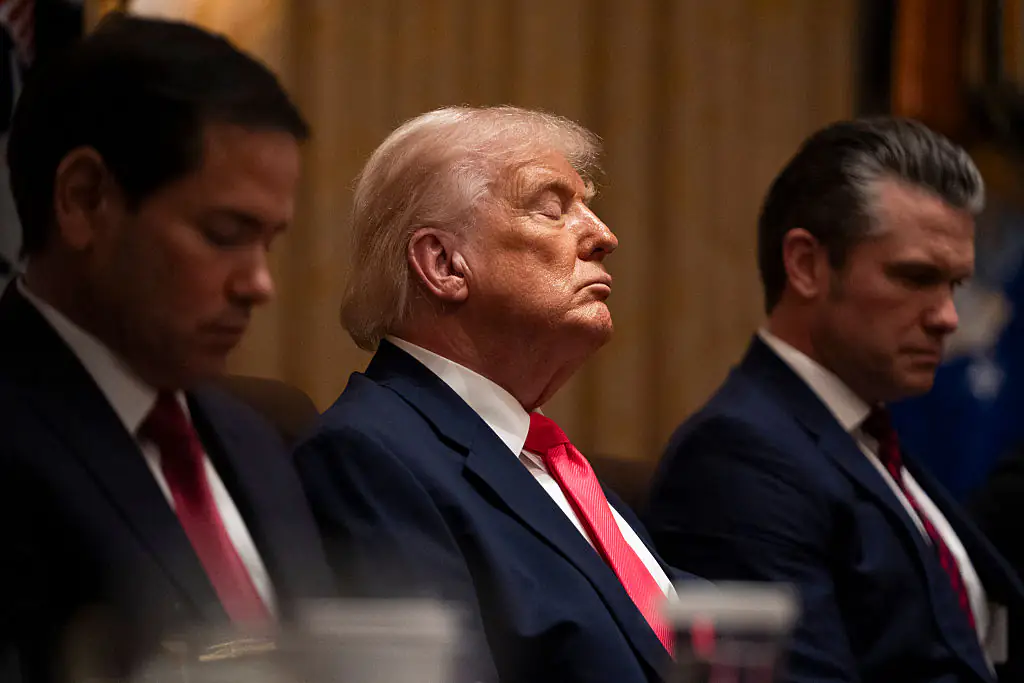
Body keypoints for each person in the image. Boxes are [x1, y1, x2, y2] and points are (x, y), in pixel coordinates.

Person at [294, 106, 692, 683]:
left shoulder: (548, 459)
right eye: (553, 210)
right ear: (444, 264)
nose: (605, 236)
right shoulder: (367, 457)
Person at [1, 15, 333, 682]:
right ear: (84, 200)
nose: (260, 284)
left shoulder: (259, 436)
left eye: (268, 241)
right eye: (224, 233)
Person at [644, 117, 1024, 683]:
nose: (947, 317)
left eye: (954, 285)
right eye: (915, 277)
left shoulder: (868, 438)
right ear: (806, 266)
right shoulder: (739, 457)